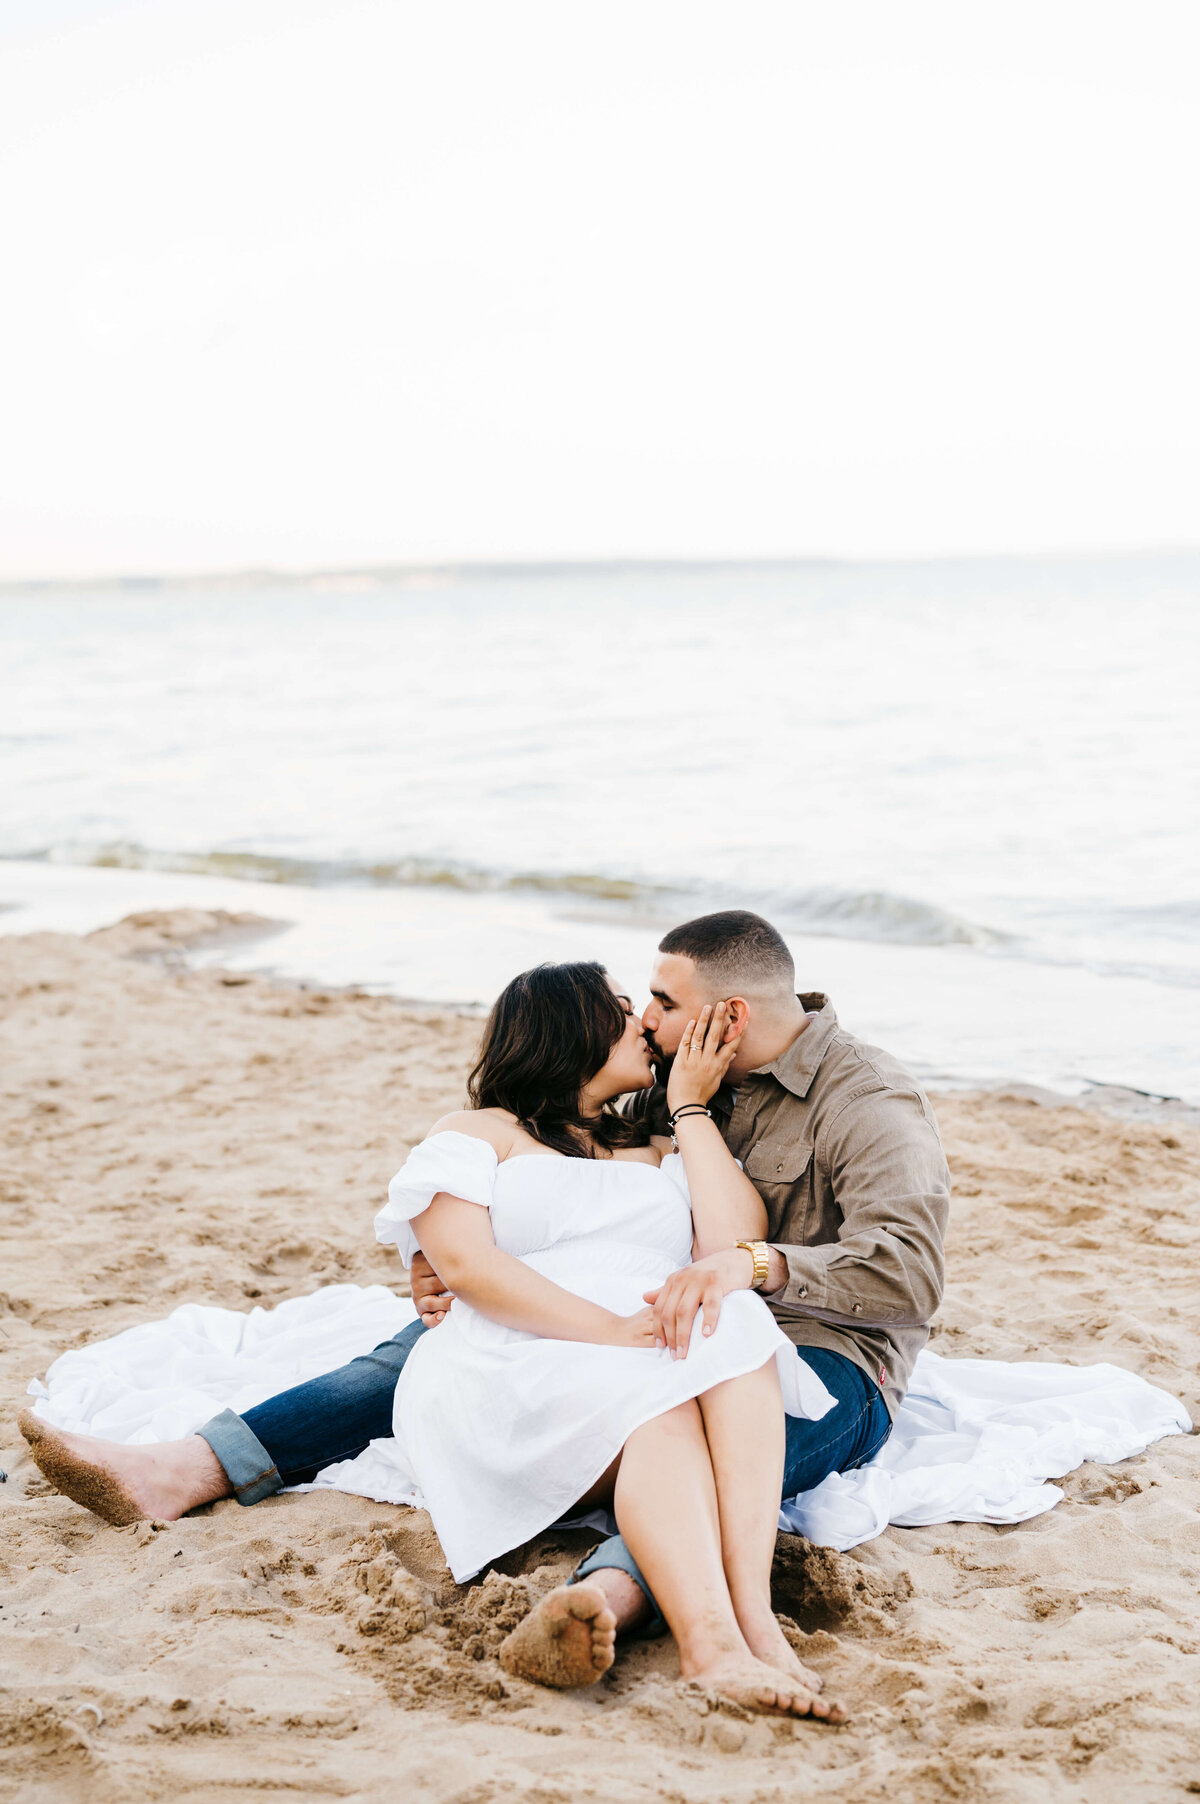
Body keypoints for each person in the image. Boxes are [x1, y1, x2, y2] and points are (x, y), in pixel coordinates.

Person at [21, 910, 950, 1701]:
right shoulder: (666, 1091)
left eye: (660, 1005)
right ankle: (190, 1467)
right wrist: (446, 1263)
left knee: (727, 1448)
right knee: (416, 1349)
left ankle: (607, 1603)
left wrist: (747, 1266)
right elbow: (562, 1177)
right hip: (650, 1326)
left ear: (730, 1012)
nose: (651, 1021)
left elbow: (906, 1275)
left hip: (822, 1348)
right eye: (640, 1009)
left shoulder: (864, 1101)